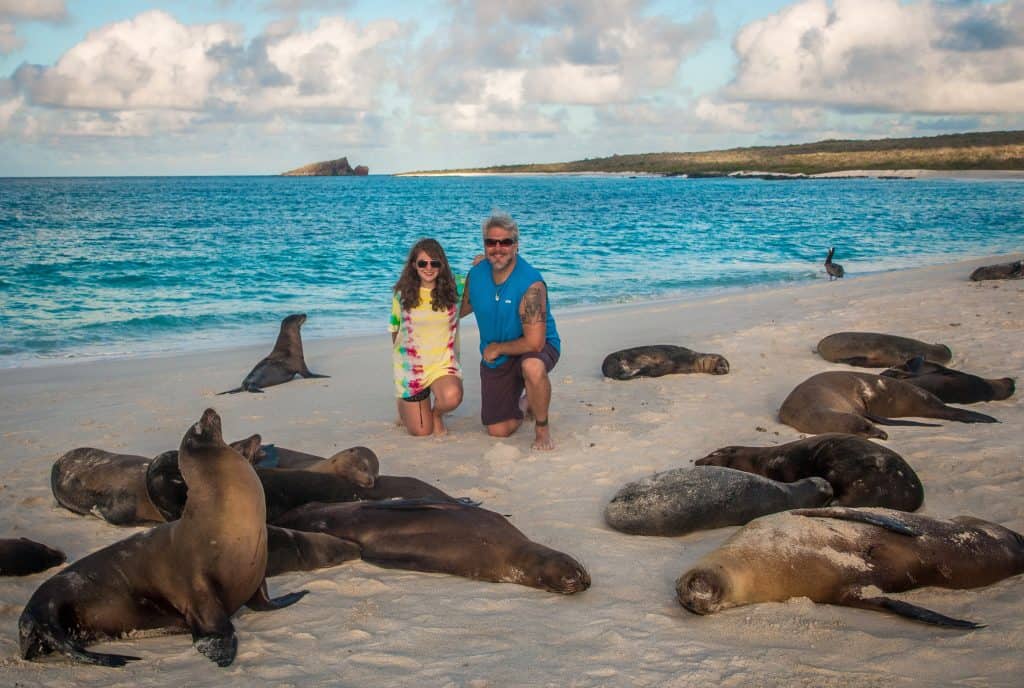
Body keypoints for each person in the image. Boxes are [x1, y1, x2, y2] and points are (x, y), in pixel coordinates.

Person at [461, 213, 560, 450]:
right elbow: (460, 309)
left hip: (537, 346)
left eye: (505, 242)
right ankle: (526, 403)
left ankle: (542, 427)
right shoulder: (476, 275)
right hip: (498, 356)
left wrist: (498, 348)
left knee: (532, 367)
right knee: (498, 431)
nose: (497, 248)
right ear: (484, 245)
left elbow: (535, 343)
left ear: (516, 245)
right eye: (490, 243)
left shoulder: (531, 284)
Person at [390, 238, 465, 436]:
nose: (429, 268)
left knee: (452, 397)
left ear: (442, 265)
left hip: (442, 365)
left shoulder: (456, 287)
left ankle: (437, 414)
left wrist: (482, 262)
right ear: (414, 265)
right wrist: (402, 370)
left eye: (435, 263)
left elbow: (483, 283)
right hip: (412, 369)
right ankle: (403, 403)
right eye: (423, 263)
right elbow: (395, 330)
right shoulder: (402, 294)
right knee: (421, 432)